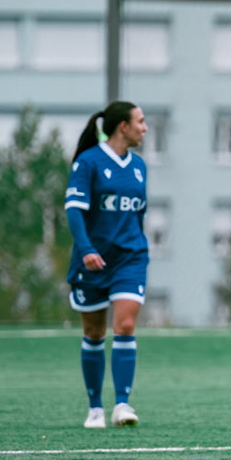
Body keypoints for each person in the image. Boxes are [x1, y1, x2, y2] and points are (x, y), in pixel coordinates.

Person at [65, 100, 151, 428]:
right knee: (94, 333)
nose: (144, 128)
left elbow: (137, 214)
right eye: (140, 122)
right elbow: (73, 210)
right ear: (123, 127)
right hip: (92, 261)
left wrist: (137, 246)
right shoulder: (88, 163)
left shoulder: (140, 166)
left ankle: (123, 405)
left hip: (130, 258)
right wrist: (86, 249)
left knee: (125, 326)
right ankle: (95, 409)